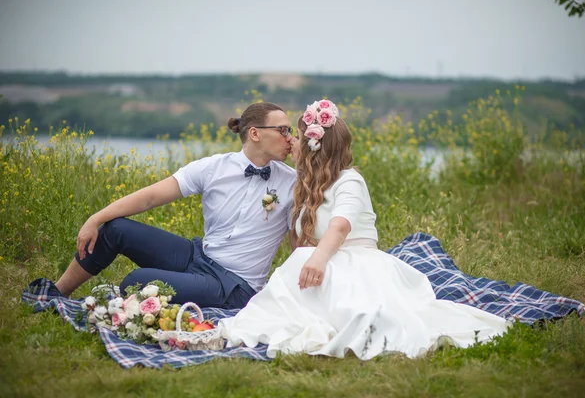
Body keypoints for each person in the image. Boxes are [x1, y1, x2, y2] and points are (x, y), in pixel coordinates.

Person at [217, 100, 510, 359]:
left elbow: (340, 226)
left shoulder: (349, 181)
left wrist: (317, 259)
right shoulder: (304, 185)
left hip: (355, 263)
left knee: (362, 315)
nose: (291, 142)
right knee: (278, 309)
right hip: (322, 264)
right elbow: (299, 241)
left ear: (314, 147)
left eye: (297, 138)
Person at [54, 102, 297, 309]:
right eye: (283, 130)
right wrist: (95, 219)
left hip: (233, 285)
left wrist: (306, 163)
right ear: (255, 133)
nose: (290, 138)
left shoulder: (294, 184)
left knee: (135, 282)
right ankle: (56, 293)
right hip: (199, 256)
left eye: (291, 131)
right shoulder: (214, 167)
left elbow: (301, 246)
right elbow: (150, 197)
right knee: (115, 229)